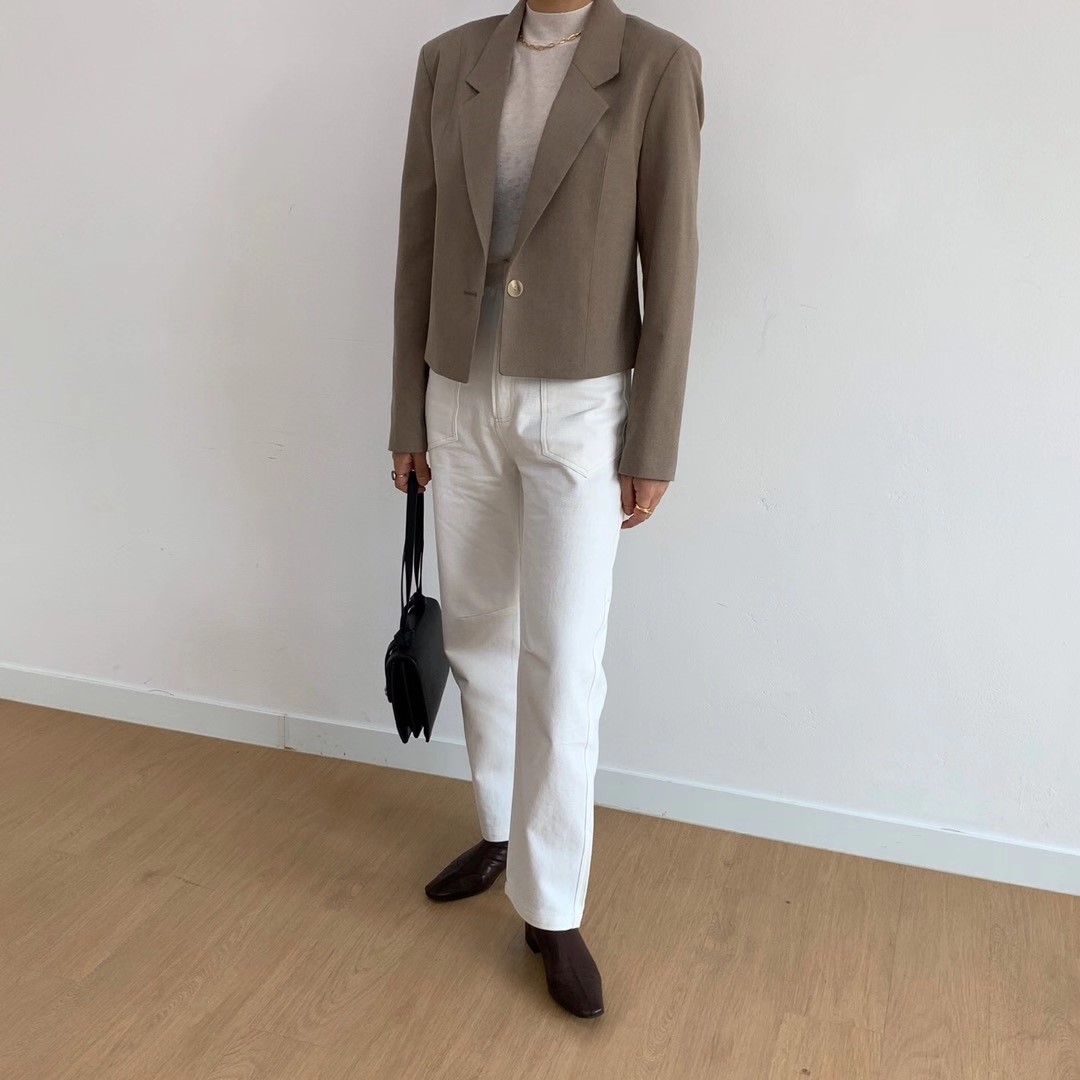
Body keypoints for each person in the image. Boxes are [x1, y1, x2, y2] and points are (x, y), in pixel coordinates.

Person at [387, 0, 704, 1018]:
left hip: (578, 405)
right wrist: (407, 412)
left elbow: (673, 264)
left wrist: (652, 438)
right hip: (458, 393)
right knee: (478, 635)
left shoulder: (657, 67)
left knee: (564, 658)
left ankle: (553, 906)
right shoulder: (449, 61)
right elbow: (418, 242)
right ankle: (497, 828)